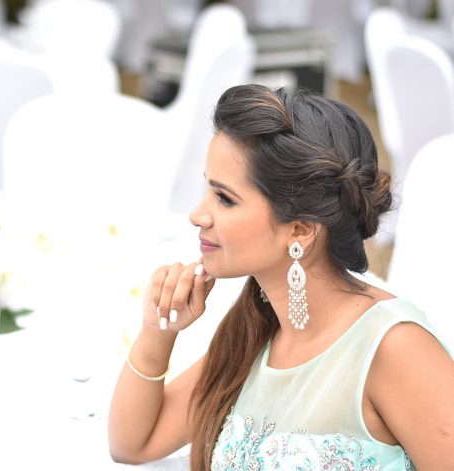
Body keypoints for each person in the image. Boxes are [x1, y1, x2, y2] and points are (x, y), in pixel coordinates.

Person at [108, 84, 454, 470]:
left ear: (300, 231)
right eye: (207, 190)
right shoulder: (253, 333)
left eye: (225, 199)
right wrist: (159, 330)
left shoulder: (396, 349)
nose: (197, 215)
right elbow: (133, 443)